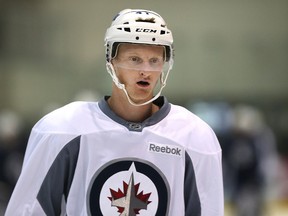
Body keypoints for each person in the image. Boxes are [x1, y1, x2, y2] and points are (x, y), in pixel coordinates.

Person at [5, 9, 224, 216]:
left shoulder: (195, 137)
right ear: (111, 61)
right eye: (134, 59)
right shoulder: (61, 130)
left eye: (154, 60)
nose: (145, 71)